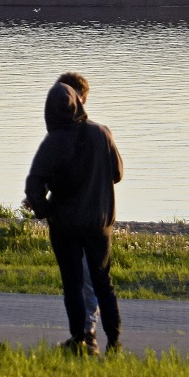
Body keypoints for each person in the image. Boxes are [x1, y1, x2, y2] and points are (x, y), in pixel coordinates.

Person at [25, 78, 123, 354]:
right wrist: (95, 184)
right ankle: (114, 341)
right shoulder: (102, 133)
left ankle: (80, 338)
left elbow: (33, 187)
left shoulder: (52, 142)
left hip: (65, 224)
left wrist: (45, 211)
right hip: (99, 221)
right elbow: (117, 173)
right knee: (103, 280)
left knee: (73, 284)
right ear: (79, 103)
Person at [53, 72, 101, 343]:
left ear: (81, 98)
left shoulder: (93, 133)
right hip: (68, 217)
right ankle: (81, 331)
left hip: (90, 217)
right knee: (75, 278)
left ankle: (88, 330)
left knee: (88, 276)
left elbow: (113, 173)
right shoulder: (59, 134)